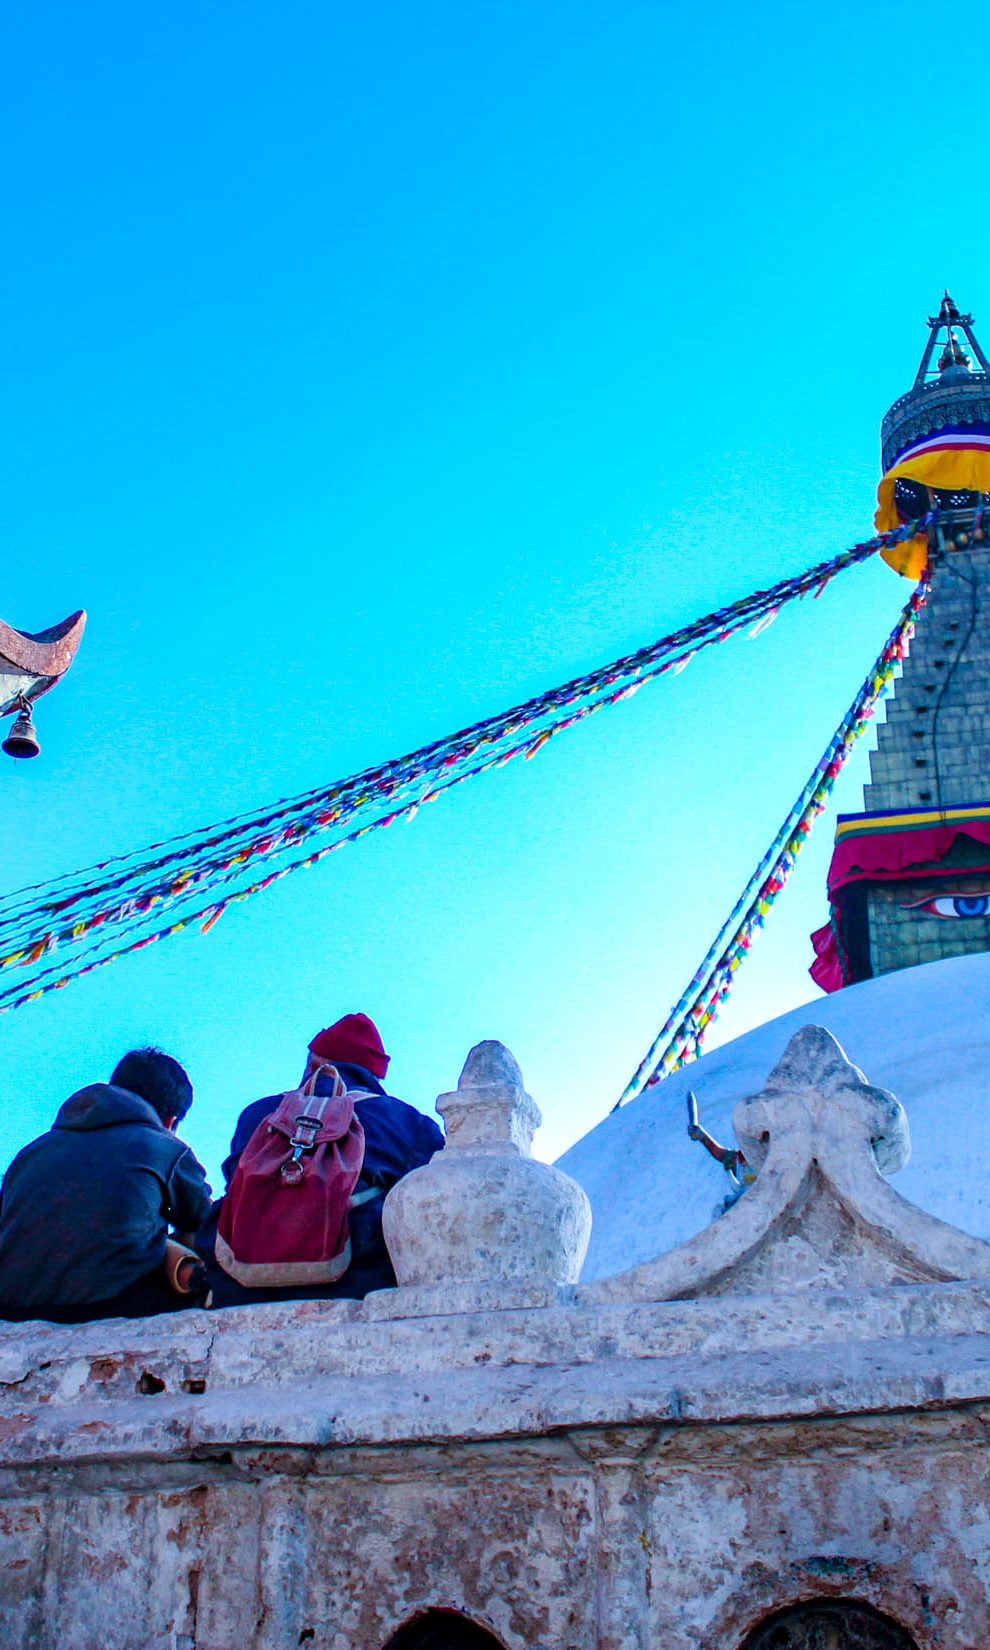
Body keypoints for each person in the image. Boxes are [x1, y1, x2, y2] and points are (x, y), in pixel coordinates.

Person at [197, 1012, 444, 1307]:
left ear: (315, 1064)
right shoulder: (406, 1122)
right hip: (357, 1291)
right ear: (373, 1075)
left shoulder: (258, 1114)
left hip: (238, 1292)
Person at [0, 1048, 213, 1323]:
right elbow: (208, 1223)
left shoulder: (30, 1154)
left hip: (12, 1311)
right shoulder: (165, 1146)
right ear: (170, 1121)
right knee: (195, 1246)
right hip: (115, 1307)